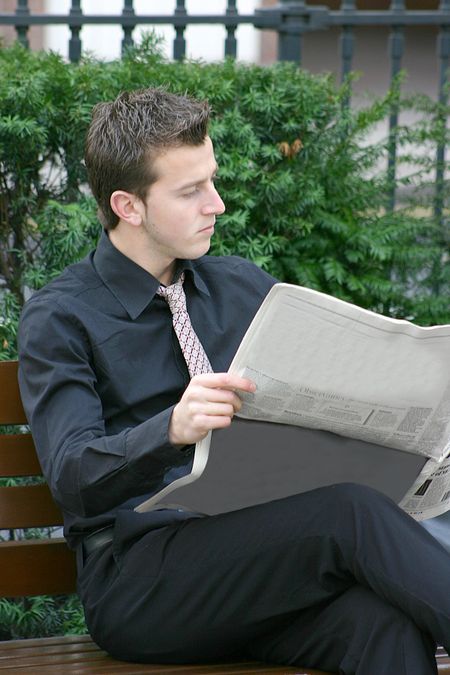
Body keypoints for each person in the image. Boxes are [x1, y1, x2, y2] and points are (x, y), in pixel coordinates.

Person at [18, 87, 450, 675]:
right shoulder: (61, 316)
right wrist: (170, 428)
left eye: (212, 181)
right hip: (144, 580)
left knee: (384, 626)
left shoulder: (241, 287)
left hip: (263, 562)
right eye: (191, 191)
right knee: (350, 513)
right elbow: (72, 475)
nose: (215, 204)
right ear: (128, 206)